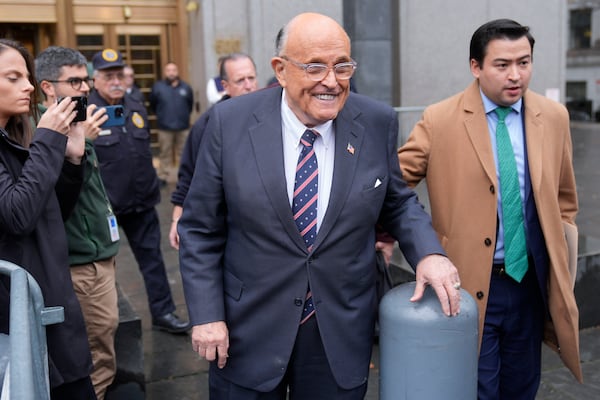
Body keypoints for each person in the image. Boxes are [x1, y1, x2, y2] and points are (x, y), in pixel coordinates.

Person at [178, 13, 461, 399]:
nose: (331, 81)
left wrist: (428, 253)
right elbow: (199, 230)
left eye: (342, 66)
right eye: (315, 67)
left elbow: (395, 201)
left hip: (338, 331)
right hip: (247, 329)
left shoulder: (375, 121)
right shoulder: (230, 122)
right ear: (280, 70)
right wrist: (207, 314)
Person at [396, 19, 582, 398]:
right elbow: (396, 188)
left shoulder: (554, 117)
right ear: (475, 66)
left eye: (524, 62)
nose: (516, 75)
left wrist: (562, 252)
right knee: (477, 388)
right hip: (467, 286)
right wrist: (411, 240)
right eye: (502, 65)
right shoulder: (440, 119)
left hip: (531, 284)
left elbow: (565, 198)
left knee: (522, 387)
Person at [0, 38, 96, 398]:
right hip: (18, 313)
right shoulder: (33, 139)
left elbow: (52, 212)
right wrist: (47, 140)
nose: (27, 85)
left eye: (26, 76)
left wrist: (72, 159)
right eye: (12, 77)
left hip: (48, 299)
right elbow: (18, 216)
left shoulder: (18, 136)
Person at [35, 46, 119, 400]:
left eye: (85, 80)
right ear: (47, 88)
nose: (85, 88)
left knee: (104, 343)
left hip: (100, 252)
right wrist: (78, 149)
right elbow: (55, 202)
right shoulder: (41, 132)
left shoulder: (77, 122)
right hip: (80, 261)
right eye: (74, 81)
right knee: (97, 355)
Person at [88, 48, 189, 334]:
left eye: (119, 74)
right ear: (96, 79)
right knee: (102, 268)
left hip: (141, 201)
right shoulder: (87, 111)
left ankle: (163, 313)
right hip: (105, 207)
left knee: (153, 261)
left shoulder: (134, 103)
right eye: (109, 76)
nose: (115, 80)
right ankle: (104, 324)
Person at [169, 52, 258, 249]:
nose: (249, 85)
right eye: (240, 80)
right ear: (225, 86)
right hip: (227, 222)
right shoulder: (208, 124)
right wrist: (177, 219)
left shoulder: (274, 115)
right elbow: (188, 175)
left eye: (251, 78)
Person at [149, 62, 194, 185]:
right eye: (168, 70)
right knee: (165, 153)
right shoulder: (158, 87)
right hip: (165, 127)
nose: (171, 72)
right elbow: (153, 104)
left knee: (184, 153)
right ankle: (163, 176)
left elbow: (190, 105)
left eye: (174, 70)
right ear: (165, 72)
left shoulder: (186, 87)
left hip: (183, 127)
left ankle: (184, 178)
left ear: (177, 71)